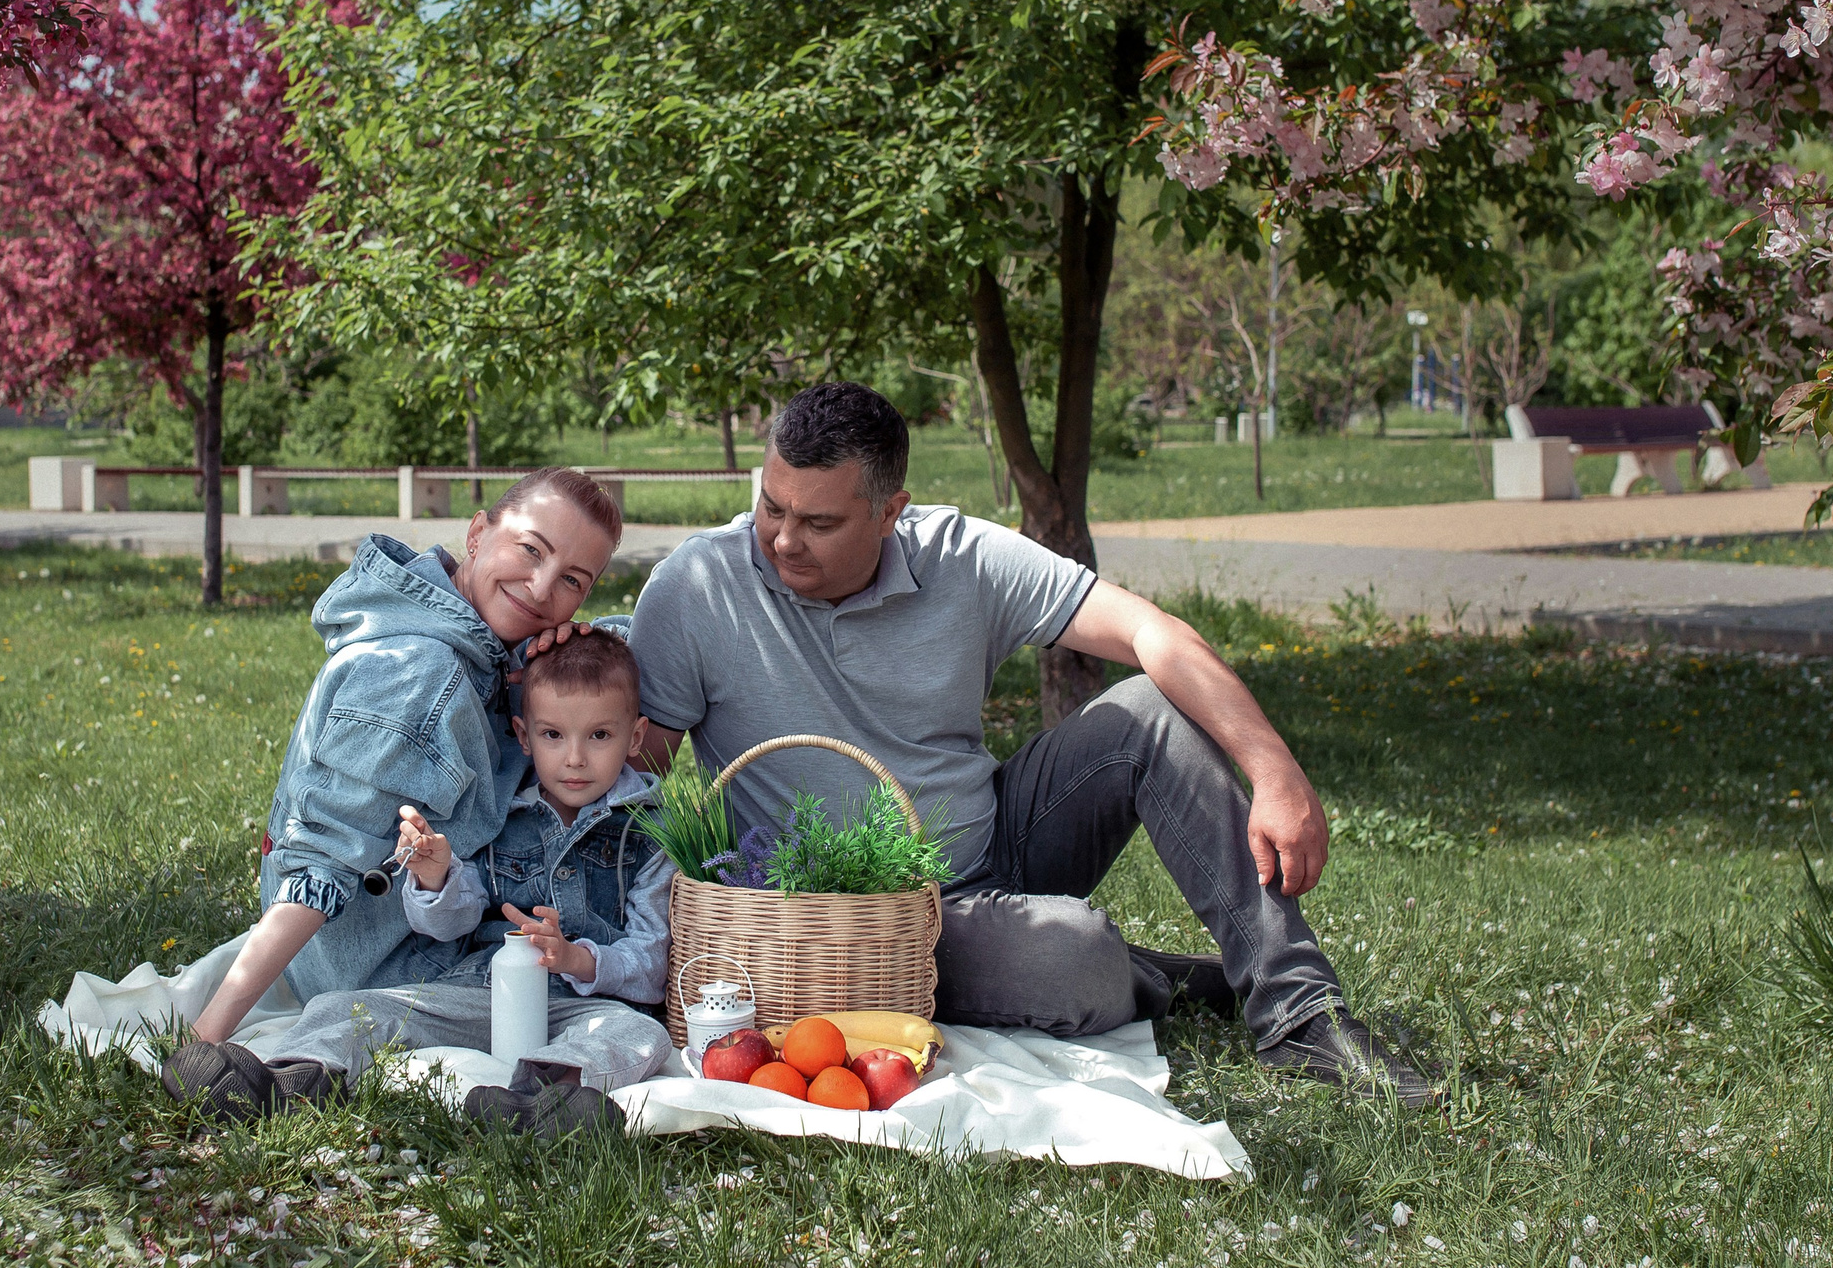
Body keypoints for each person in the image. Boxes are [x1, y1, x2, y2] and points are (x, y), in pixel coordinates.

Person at [604, 381, 1437, 1105]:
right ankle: (1156, 974)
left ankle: (1301, 1016)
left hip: (999, 839)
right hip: (861, 925)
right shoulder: (699, 585)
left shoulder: (961, 556)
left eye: (818, 521)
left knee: (1150, 705)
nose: (783, 538)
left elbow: (1150, 631)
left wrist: (1276, 770)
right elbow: (633, 766)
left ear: (891, 512)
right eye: (772, 506)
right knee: (1078, 959)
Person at [178, 467, 622, 1058]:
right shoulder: (421, 674)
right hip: (395, 969)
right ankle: (312, 1060)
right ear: (477, 534)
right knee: (613, 1010)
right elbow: (326, 857)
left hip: (421, 930)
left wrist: (573, 652)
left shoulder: (475, 645)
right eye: (530, 550)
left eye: (571, 579)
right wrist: (207, 1037)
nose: (542, 590)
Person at [169, 627, 674, 1136]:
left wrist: (577, 960)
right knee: (346, 1007)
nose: (575, 758)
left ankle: (545, 1102)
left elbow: (652, 963)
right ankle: (288, 1079)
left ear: (635, 737)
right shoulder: (503, 811)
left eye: (600, 736)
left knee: (638, 1034)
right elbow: (451, 924)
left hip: (585, 1006)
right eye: (553, 735)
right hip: (484, 991)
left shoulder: (652, 834)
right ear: (524, 736)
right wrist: (436, 879)